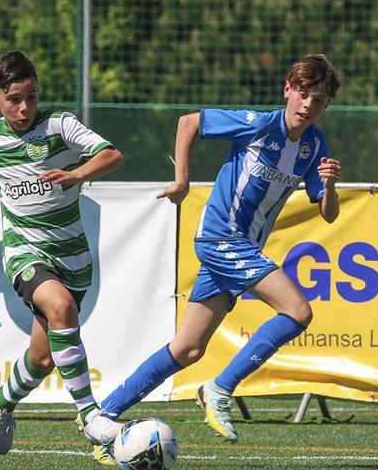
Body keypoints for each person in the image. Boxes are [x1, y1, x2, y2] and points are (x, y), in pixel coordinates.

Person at [98, 54, 341, 443]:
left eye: (320, 99)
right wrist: (181, 181)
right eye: (304, 93)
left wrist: (328, 186)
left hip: (239, 247)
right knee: (297, 310)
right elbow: (188, 122)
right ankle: (220, 388)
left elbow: (328, 215)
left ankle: (103, 412)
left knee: (188, 348)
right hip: (220, 239)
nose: (309, 105)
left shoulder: (315, 144)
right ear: (287, 90)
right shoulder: (259, 125)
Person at [0, 50, 125, 455]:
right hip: (24, 251)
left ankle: (2, 400)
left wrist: (76, 173)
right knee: (61, 308)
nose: (25, 108)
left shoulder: (60, 125)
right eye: (14, 100)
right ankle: (90, 415)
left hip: (73, 256)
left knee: (42, 359)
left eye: (32, 97)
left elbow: (113, 155)